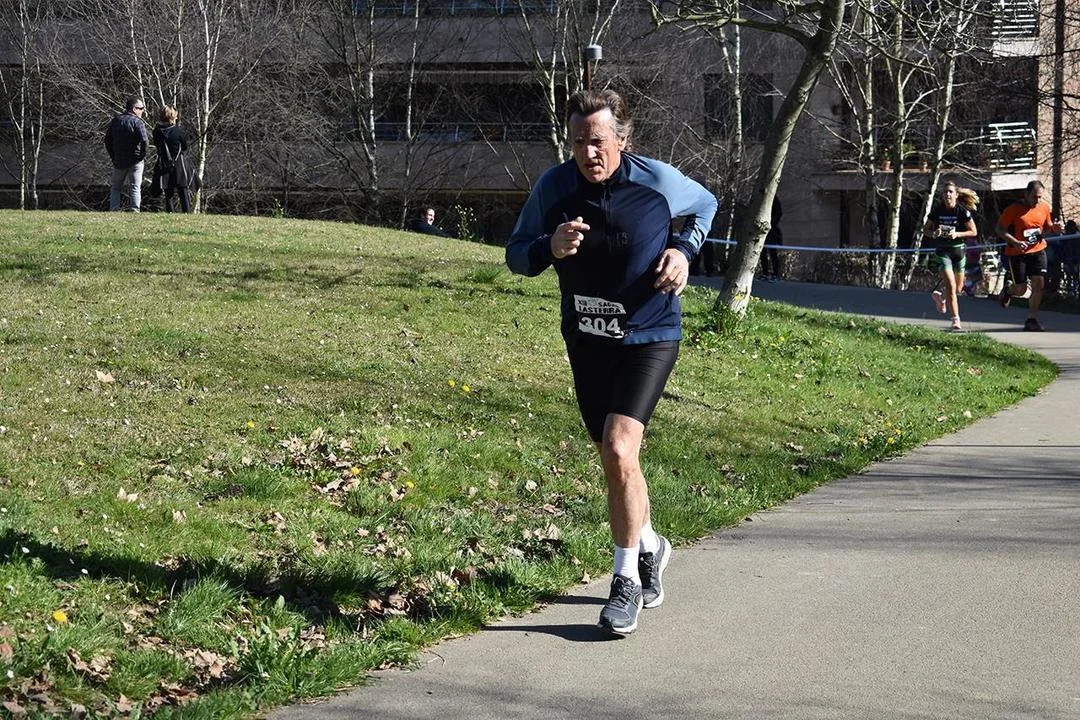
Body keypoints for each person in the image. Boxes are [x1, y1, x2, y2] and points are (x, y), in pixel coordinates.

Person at [505, 89, 717, 636]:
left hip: (650, 334)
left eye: (598, 141)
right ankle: (650, 544)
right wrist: (548, 247)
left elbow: (706, 204)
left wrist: (683, 251)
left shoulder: (657, 181)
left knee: (620, 447)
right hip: (588, 339)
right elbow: (515, 255)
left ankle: (623, 582)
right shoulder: (554, 187)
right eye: (578, 142)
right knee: (615, 457)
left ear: (623, 139)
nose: (588, 153)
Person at [995, 180, 1064, 331]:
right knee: (1021, 290)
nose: (1037, 200)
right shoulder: (1013, 209)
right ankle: (1008, 290)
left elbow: (1047, 226)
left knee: (1039, 285)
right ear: (1026, 194)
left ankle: (1031, 319)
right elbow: (999, 229)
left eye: (1040, 197)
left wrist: (1055, 228)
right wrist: (1015, 242)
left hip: (1038, 250)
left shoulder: (1044, 207)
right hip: (1017, 253)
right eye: (1034, 196)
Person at [923, 181, 978, 331]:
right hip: (943, 252)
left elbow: (973, 231)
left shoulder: (962, 212)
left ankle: (941, 297)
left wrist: (957, 234)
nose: (947, 194)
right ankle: (955, 320)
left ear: (956, 195)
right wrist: (934, 233)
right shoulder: (937, 210)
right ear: (942, 195)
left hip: (958, 251)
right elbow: (925, 230)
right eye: (945, 192)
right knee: (951, 285)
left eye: (950, 192)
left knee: (958, 289)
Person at [104, 96, 149, 212]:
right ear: (134, 109)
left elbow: (107, 140)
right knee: (135, 187)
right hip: (136, 160)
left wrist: (113, 156)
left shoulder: (116, 121)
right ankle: (135, 210)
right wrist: (142, 156)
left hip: (119, 160)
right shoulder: (138, 122)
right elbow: (145, 141)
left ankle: (114, 209)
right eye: (141, 108)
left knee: (116, 188)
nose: (143, 111)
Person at [152, 105, 192, 213]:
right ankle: (187, 212)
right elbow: (184, 146)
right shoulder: (177, 131)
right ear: (172, 117)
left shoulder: (156, 131)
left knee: (168, 190)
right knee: (182, 189)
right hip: (178, 162)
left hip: (163, 162)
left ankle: (170, 212)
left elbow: (156, 144)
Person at [759, 194, 783, 281]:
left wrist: (771, 224)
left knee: (773, 252)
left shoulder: (773, 198)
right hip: (761, 228)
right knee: (762, 252)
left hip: (771, 231)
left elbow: (779, 213)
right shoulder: (759, 197)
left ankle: (775, 274)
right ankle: (765, 273)